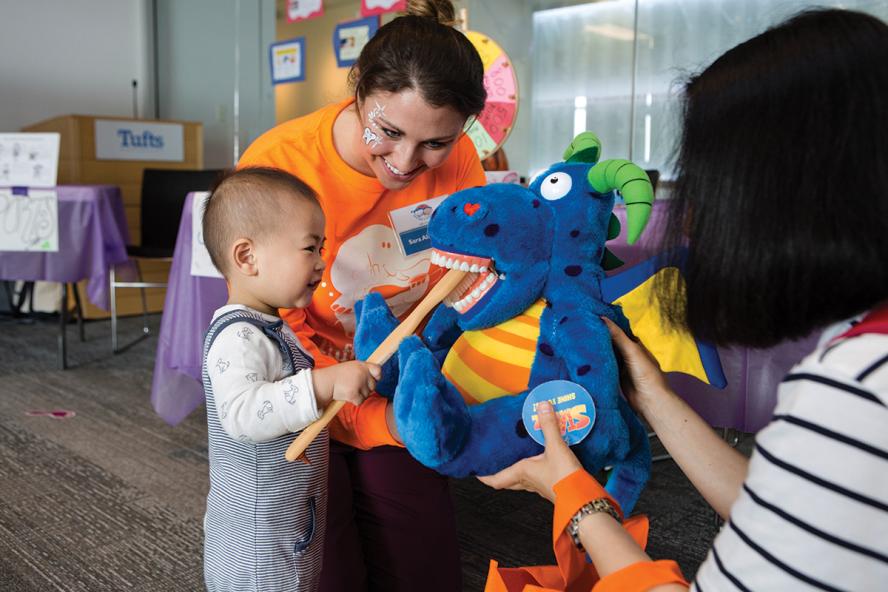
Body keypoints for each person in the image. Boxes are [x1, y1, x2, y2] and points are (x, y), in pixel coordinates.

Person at [479, 8, 888, 591]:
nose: (694, 216)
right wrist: (650, 394)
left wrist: (570, 491)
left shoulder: (855, 388)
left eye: (706, 181)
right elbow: (781, 513)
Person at [236, 0, 487, 589]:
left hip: (397, 381)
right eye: (389, 132)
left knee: (425, 567)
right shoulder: (279, 165)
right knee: (325, 568)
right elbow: (259, 325)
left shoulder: (463, 161)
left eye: (435, 144)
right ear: (356, 90)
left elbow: (469, 276)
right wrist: (355, 406)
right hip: (299, 383)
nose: (405, 162)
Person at [200, 167, 381, 592]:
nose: (322, 262)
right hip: (257, 545)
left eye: (323, 247)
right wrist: (324, 384)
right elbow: (243, 415)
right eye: (309, 248)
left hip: (286, 520)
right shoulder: (237, 336)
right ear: (247, 258)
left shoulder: (270, 325)